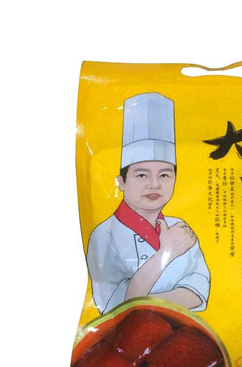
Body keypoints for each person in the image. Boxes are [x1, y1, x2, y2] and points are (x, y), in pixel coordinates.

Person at [86, 93, 210, 314]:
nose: (155, 184)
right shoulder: (104, 234)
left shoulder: (179, 227)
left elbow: (197, 291)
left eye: (164, 175)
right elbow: (117, 309)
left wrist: (142, 300)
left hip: (184, 331)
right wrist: (167, 251)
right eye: (142, 175)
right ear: (121, 182)